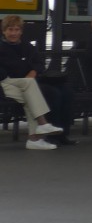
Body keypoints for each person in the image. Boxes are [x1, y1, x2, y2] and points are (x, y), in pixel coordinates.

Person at [0, 15, 74, 145]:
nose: (14, 33)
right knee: (47, 92)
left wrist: (33, 71)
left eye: (17, 30)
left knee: (64, 91)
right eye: (10, 30)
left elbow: (39, 63)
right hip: (7, 83)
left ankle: (50, 136)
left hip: (27, 83)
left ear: (21, 31)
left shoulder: (26, 46)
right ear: (4, 31)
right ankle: (41, 129)